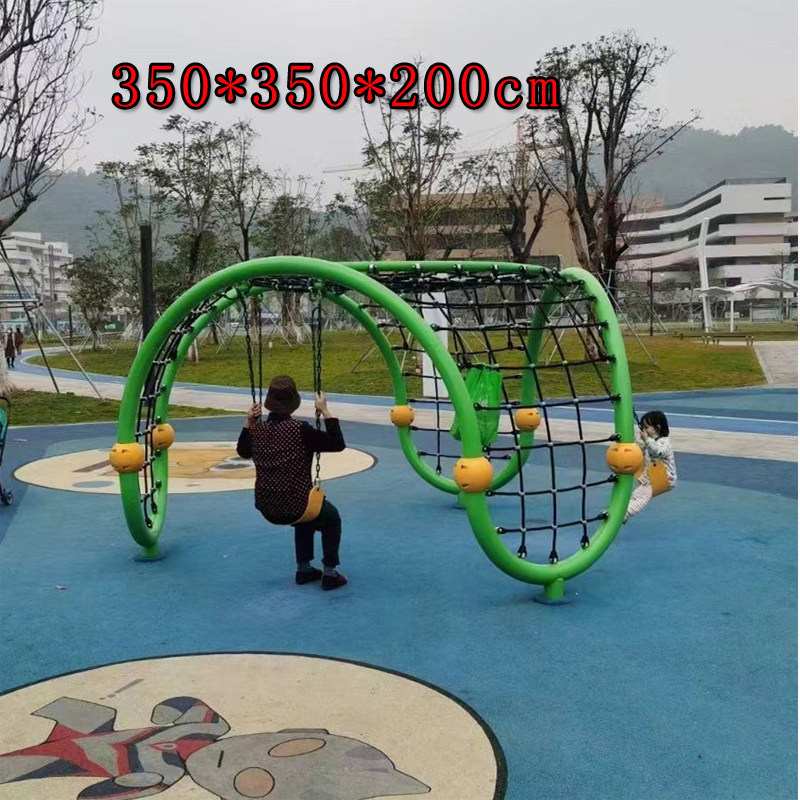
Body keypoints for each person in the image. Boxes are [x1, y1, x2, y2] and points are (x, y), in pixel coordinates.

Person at [236, 375, 348, 590]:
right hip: (296, 504)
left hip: (267, 506)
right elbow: (337, 444)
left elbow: (243, 451)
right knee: (331, 518)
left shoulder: (257, 430)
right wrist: (325, 411)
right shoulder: (300, 430)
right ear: (293, 404)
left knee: (305, 515)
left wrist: (249, 422)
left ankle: (304, 569)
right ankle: (330, 573)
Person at [624, 410, 677, 523]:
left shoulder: (664, 442)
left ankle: (626, 512)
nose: (644, 430)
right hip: (652, 476)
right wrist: (631, 437)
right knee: (636, 494)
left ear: (657, 428)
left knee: (642, 495)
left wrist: (646, 440)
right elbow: (639, 448)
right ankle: (624, 512)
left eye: (646, 427)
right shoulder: (650, 441)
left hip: (664, 477)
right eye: (642, 428)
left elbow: (658, 451)